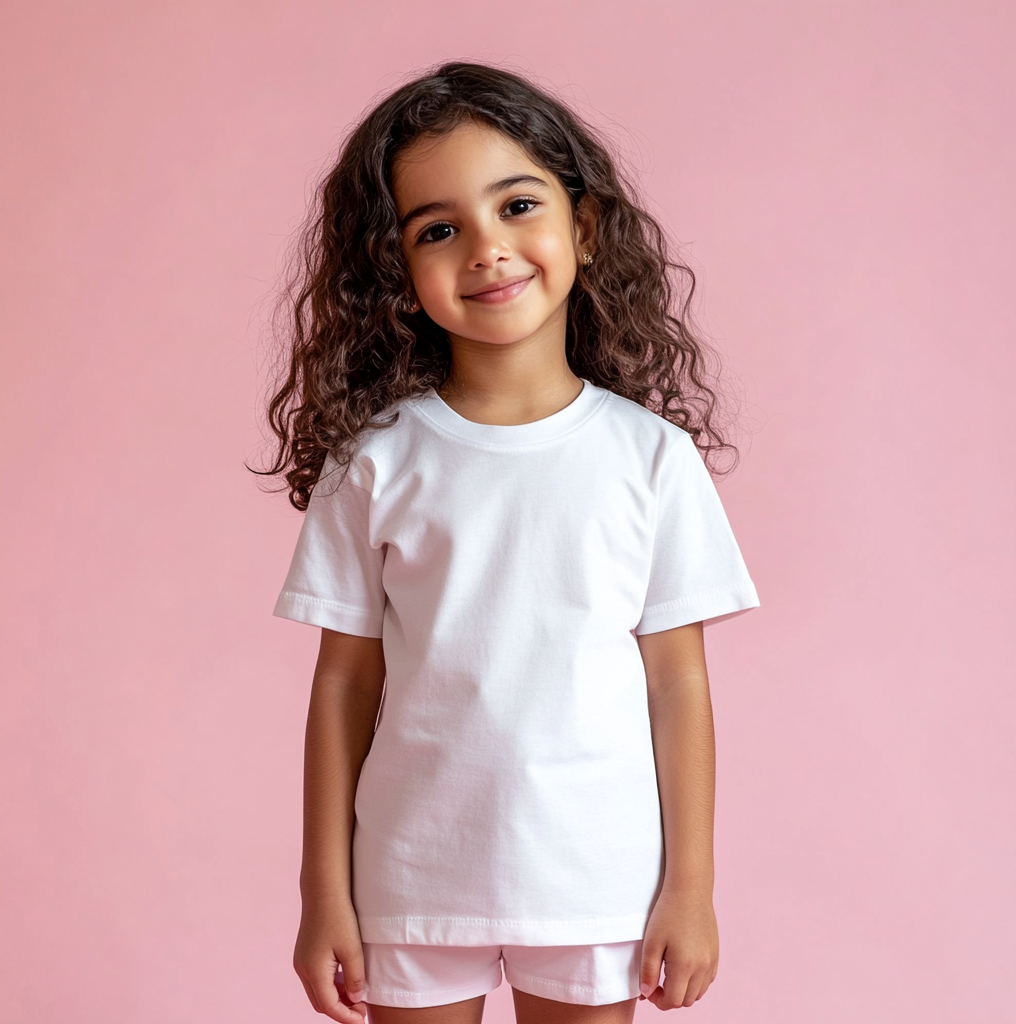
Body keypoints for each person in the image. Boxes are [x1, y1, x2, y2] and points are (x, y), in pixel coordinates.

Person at [259, 61, 759, 1024]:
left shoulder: (651, 458)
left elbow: (677, 683)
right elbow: (343, 684)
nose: (487, 250)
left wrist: (688, 890)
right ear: (396, 273)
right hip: (410, 872)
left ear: (585, 225)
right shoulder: (375, 464)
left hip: (595, 874)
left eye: (517, 204)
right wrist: (325, 891)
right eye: (438, 229)